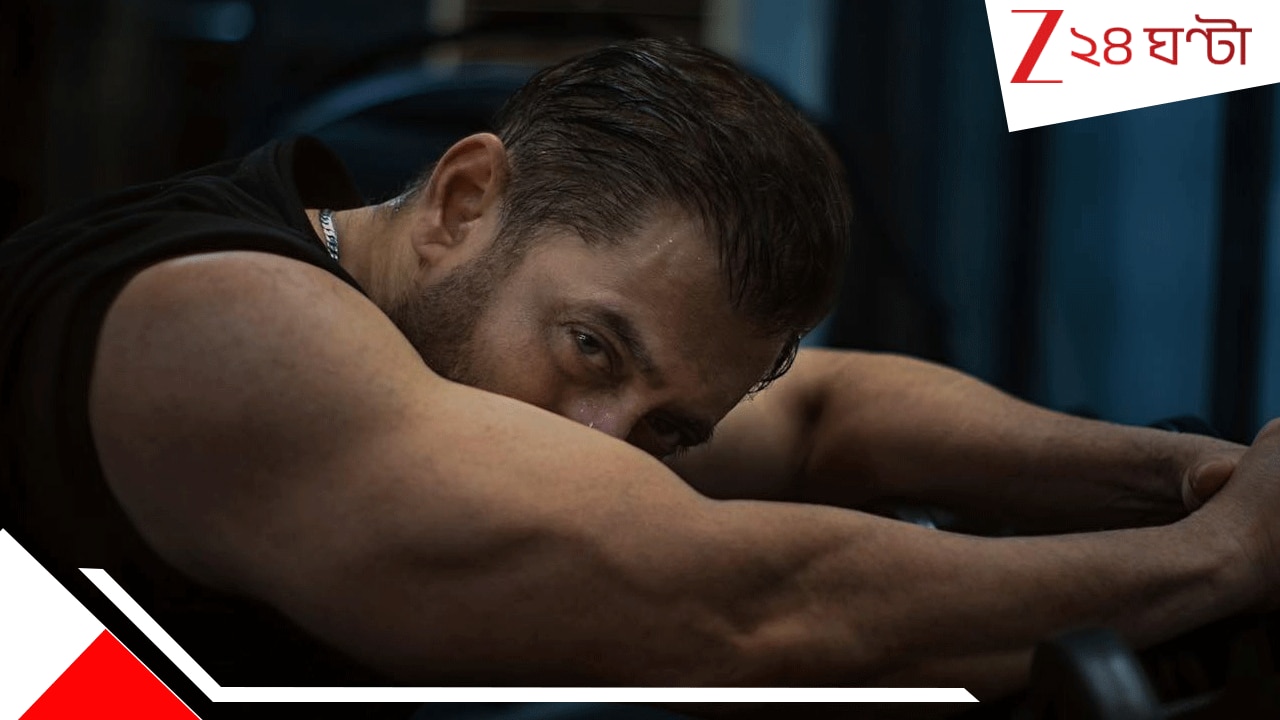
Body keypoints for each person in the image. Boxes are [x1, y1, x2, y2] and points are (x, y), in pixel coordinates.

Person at [0, 36, 1274, 706]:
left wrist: (1190, 474)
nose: (601, 444)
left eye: (667, 426)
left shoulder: (439, 325)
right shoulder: (220, 327)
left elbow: (825, 413)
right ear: (463, 199)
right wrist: (1213, 562)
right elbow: (735, 608)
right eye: (591, 347)